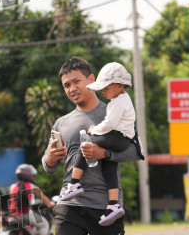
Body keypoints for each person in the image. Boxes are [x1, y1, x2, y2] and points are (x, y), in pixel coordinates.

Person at [43, 57, 147, 235]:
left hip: (104, 205)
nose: (72, 88)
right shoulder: (62, 123)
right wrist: (48, 159)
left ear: (92, 80)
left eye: (77, 81)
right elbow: (49, 164)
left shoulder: (114, 108)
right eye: (66, 85)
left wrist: (106, 154)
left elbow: (135, 151)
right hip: (70, 205)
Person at [58, 62, 137, 226]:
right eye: (66, 85)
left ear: (120, 85)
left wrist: (95, 130)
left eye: (106, 88)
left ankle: (74, 184)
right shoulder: (121, 100)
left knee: (86, 143)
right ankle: (113, 204)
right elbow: (48, 165)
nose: (103, 91)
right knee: (109, 164)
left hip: (118, 137)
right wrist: (106, 155)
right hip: (119, 139)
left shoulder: (117, 102)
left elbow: (110, 124)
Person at [9, 164, 56, 235]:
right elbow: (45, 200)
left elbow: (12, 201)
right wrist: (51, 203)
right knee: (45, 224)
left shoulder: (12, 187)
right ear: (28, 175)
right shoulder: (32, 187)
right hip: (26, 214)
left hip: (13, 215)